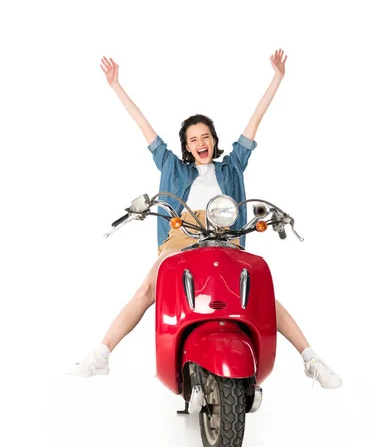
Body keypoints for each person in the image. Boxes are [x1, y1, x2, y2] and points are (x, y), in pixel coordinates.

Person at [69, 50, 342, 389]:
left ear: (214, 140)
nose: (201, 143)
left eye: (206, 137)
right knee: (148, 287)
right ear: (186, 146)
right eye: (193, 139)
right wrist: (116, 86)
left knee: (264, 294)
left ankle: (310, 359)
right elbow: (146, 129)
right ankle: (102, 354)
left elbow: (254, 124)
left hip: (225, 237)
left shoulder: (231, 167)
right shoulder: (172, 167)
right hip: (183, 238)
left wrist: (277, 78)